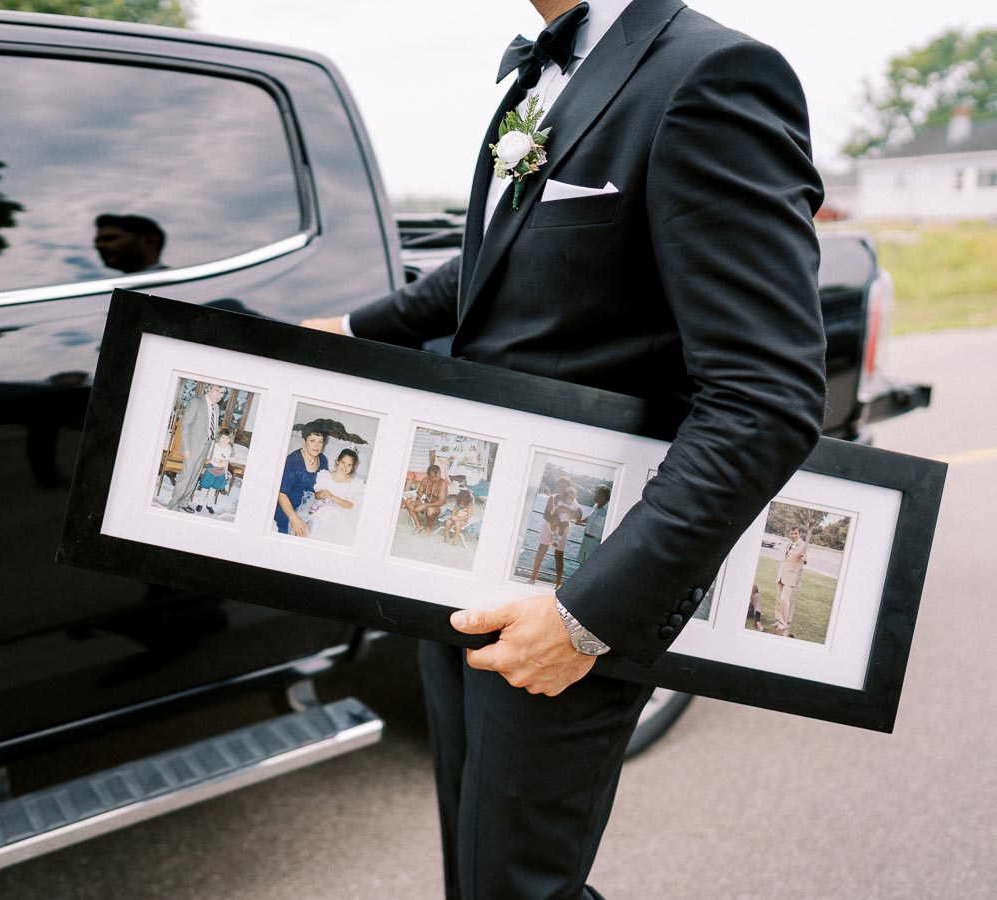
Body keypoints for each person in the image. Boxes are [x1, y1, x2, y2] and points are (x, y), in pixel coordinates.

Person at [302, 0, 827, 895]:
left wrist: (585, 619)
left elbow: (765, 398)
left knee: (520, 885)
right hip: (458, 564)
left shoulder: (712, 76)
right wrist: (347, 329)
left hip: (571, 582)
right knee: (477, 876)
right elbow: (500, 257)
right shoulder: (548, 73)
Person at [168, 383, 224, 513]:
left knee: (194, 477)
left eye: (221, 393)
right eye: (217, 391)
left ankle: (183, 502)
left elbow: (212, 429)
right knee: (186, 477)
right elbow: (186, 426)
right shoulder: (196, 402)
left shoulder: (216, 407)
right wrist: (186, 448)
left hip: (205, 448)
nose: (219, 395)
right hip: (192, 447)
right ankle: (172, 505)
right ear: (209, 389)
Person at [276, 423, 329, 536]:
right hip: (289, 509)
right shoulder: (293, 461)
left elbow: (323, 485)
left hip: (312, 508)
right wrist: (294, 519)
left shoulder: (323, 460)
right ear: (304, 441)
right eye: (312, 440)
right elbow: (281, 493)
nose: (317, 445)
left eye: (320, 441)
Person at [306, 448, 366, 545]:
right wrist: (320, 494)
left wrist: (332, 496)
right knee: (318, 527)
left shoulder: (354, 484)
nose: (345, 467)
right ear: (337, 461)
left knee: (338, 528)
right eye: (343, 462)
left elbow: (350, 505)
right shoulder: (325, 476)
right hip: (322, 509)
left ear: (353, 467)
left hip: (341, 511)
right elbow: (316, 495)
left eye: (349, 465)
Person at [94, 213, 168, 274]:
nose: (98, 246)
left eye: (109, 239)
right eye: (97, 242)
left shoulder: (174, 284)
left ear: (149, 241)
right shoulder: (114, 287)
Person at [775, 526, 809, 637]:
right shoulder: (789, 544)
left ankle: (783, 623)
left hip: (791, 576)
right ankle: (778, 620)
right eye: (791, 533)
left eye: (795, 533)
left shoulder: (803, 545)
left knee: (784, 600)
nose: (793, 535)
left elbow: (805, 558)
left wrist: (805, 558)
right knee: (778, 599)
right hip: (781, 574)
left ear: (800, 534)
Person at [192, 429, 235, 515]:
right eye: (223, 437)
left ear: (230, 440)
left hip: (221, 471)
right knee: (205, 487)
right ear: (220, 437)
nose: (224, 440)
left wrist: (225, 474)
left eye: (227, 438)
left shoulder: (229, 449)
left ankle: (209, 504)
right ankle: (200, 503)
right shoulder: (214, 446)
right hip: (211, 469)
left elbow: (226, 462)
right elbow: (208, 457)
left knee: (214, 489)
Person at [403, 464, 449, 533]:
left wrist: (424, 505)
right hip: (426, 501)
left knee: (430, 510)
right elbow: (420, 493)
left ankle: (429, 526)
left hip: (439, 506)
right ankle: (419, 525)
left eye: (438, 476)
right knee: (407, 502)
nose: (437, 478)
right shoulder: (425, 480)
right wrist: (416, 496)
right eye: (434, 477)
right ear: (429, 476)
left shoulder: (443, 483)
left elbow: (441, 502)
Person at [577, 484, 611, 564]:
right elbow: (591, 517)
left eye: (596, 493)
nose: (594, 495)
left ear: (603, 496)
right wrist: (580, 521)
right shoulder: (596, 506)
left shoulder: (609, 512)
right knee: (581, 564)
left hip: (595, 544)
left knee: (589, 566)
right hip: (585, 540)